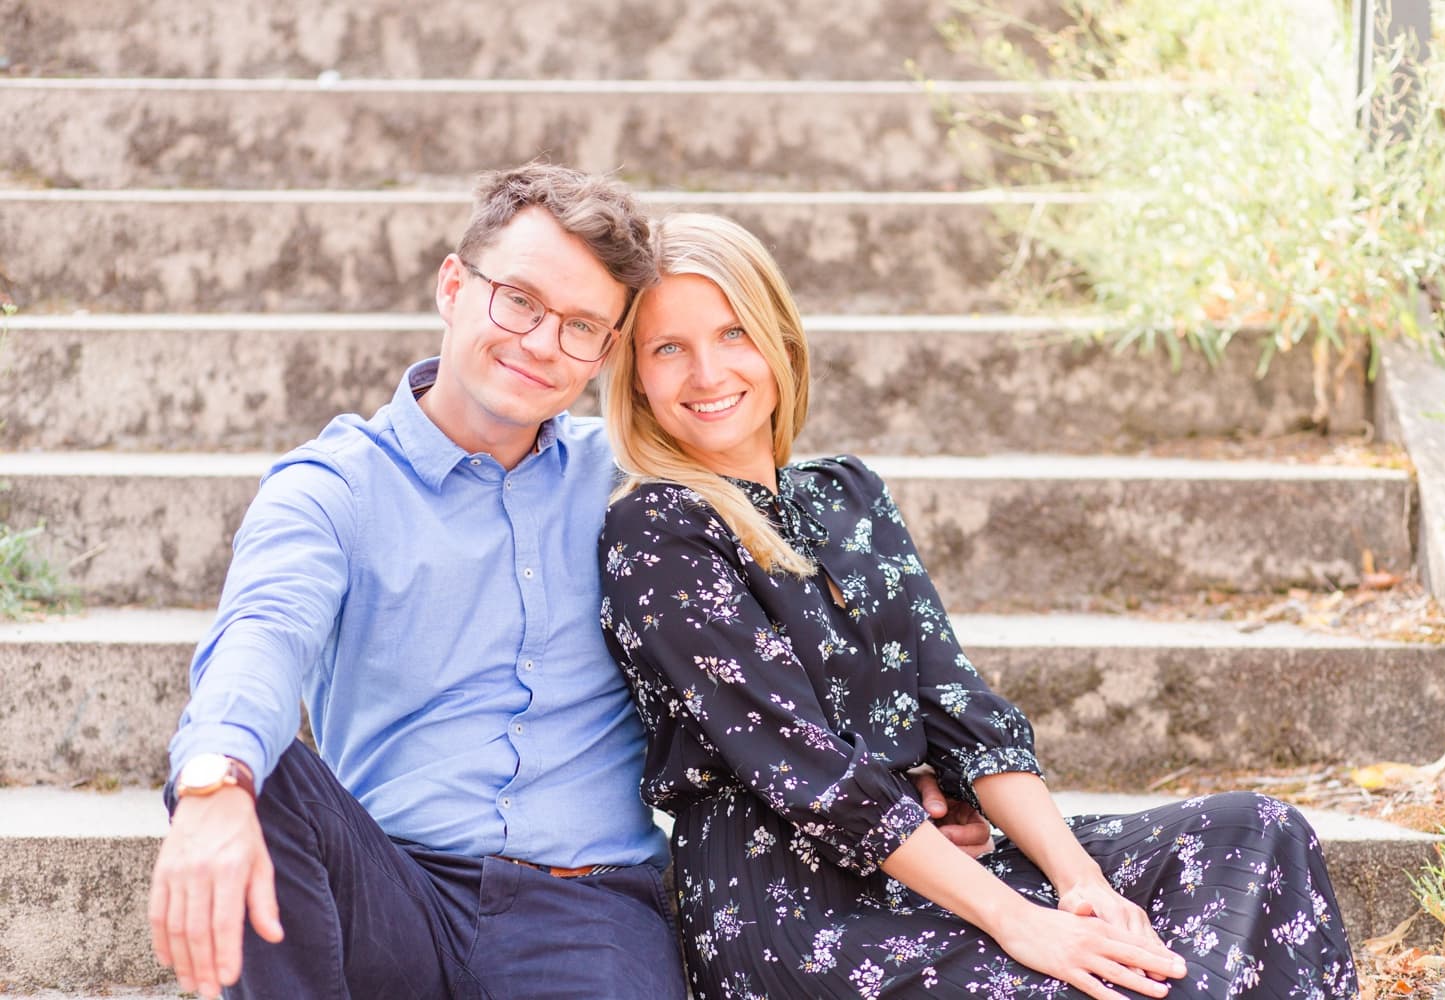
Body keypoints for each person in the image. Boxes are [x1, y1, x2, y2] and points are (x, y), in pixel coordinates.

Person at [146, 165, 989, 1000]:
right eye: (518, 300)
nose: (543, 343)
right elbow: (262, 635)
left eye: (581, 325)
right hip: (395, 890)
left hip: (588, 910)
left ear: (609, 350)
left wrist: (907, 770)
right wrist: (215, 784)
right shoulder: (333, 488)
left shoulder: (643, 487)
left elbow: (797, 612)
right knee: (247, 776)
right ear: (453, 285)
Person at [596, 212, 1361, 1000]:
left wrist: (1078, 882)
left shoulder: (846, 494)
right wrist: (1018, 921)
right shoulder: (657, 530)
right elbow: (807, 771)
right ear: (638, 378)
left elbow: (959, 707)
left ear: (781, 344)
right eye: (668, 349)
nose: (707, 373)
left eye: (732, 334)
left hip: (933, 863)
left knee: (1255, 832)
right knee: (1109, 985)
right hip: (793, 911)